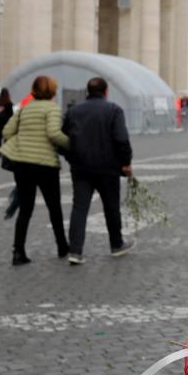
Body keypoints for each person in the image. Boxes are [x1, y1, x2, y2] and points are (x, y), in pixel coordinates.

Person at [62, 77, 135, 265]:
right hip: (108, 167)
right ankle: (116, 244)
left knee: (79, 208)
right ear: (106, 91)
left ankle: (75, 251)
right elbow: (121, 139)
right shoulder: (114, 110)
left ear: (87, 91)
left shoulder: (74, 111)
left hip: (81, 167)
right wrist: (126, 162)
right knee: (111, 207)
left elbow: (63, 138)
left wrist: (72, 157)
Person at [0, 75, 70, 266]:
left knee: (25, 208)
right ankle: (62, 246)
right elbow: (54, 133)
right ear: (52, 91)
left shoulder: (24, 108)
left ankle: (18, 251)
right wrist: (71, 144)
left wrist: (24, 137)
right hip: (45, 163)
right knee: (54, 207)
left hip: (22, 163)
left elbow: (6, 132)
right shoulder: (52, 108)